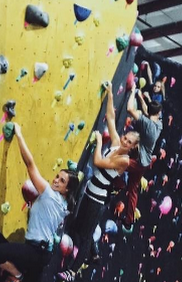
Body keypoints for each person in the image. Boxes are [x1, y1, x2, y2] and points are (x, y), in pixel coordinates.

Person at [56, 82, 140, 282]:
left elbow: (98, 162)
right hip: (89, 192)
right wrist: (111, 93)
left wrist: (100, 141)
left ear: (133, 147)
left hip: (97, 199)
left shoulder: (123, 160)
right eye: (125, 138)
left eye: (129, 142)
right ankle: (93, 251)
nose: (124, 142)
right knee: (76, 227)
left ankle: (72, 272)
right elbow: (111, 117)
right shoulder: (117, 144)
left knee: (83, 236)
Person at [0, 123, 80, 282]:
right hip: (43, 254)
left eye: (62, 181)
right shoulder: (64, 205)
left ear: (67, 190)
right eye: (57, 176)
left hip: (36, 252)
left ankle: (17, 276)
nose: (56, 180)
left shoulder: (50, 194)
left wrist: (19, 134)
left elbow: (30, 165)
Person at [122, 82, 162, 233]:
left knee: (121, 162)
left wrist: (132, 92)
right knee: (133, 189)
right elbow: (147, 111)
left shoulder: (146, 123)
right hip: (144, 163)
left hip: (137, 161)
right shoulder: (159, 124)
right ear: (158, 114)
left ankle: (116, 184)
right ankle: (129, 220)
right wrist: (141, 97)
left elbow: (130, 109)